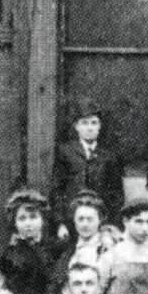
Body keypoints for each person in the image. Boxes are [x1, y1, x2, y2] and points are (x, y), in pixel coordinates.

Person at [50, 97, 125, 239]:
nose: (89, 128)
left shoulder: (109, 156)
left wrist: (112, 225)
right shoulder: (65, 152)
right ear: (76, 126)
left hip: (101, 222)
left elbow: (116, 194)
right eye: (84, 123)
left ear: (100, 126)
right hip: (71, 222)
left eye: (94, 123)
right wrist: (61, 223)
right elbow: (57, 190)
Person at [0, 189, 59, 294]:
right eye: (22, 219)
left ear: (43, 220)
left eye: (33, 217)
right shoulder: (10, 252)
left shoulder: (54, 248)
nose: (28, 223)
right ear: (15, 223)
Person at [48, 191, 111, 294]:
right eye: (80, 219)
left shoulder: (105, 249)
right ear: (74, 220)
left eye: (90, 219)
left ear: (100, 220)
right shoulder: (68, 250)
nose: (85, 224)